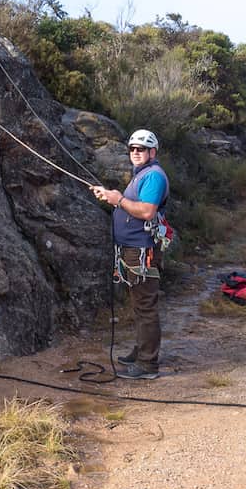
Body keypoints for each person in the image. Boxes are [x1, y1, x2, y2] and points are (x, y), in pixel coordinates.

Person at [90, 129, 170, 380]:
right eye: (132, 149)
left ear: (152, 152)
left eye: (141, 149)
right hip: (131, 251)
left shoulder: (154, 176)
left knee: (145, 306)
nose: (136, 153)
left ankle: (148, 365)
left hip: (142, 251)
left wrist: (119, 199)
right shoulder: (142, 175)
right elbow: (130, 205)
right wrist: (112, 198)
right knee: (139, 305)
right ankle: (143, 350)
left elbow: (146, 211)